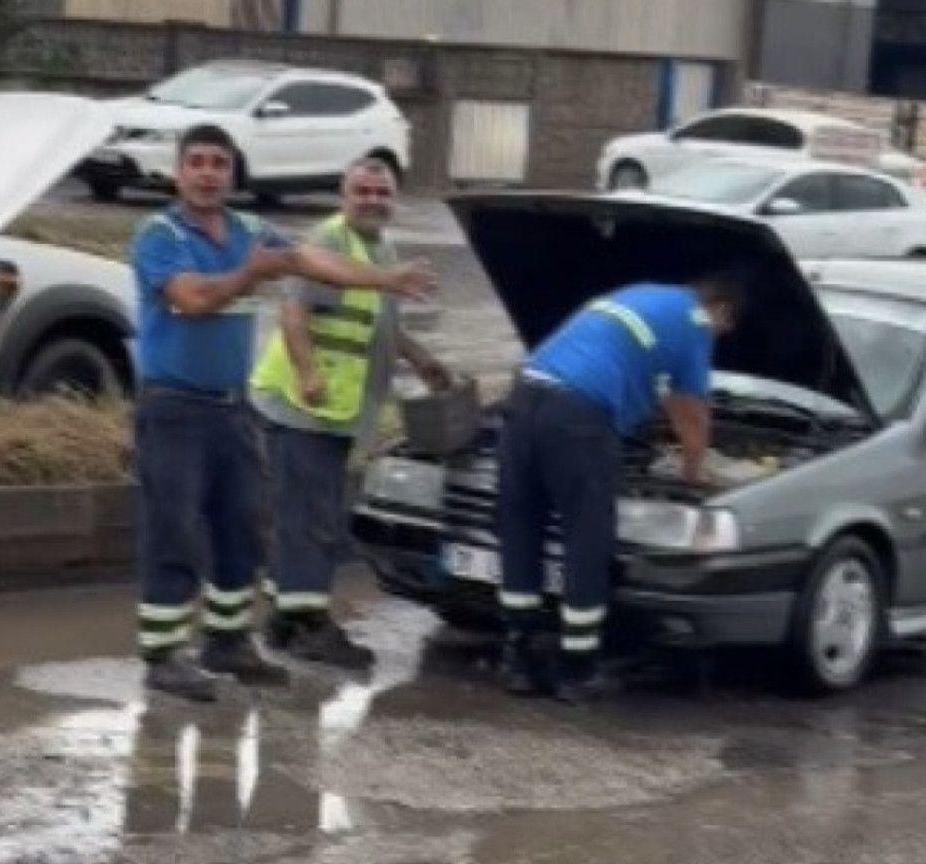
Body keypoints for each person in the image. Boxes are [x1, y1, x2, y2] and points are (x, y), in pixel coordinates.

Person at [130, 124, 434, 702]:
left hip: (231, 408)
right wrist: (252, 272)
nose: (207, 172)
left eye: (218, 163)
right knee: (174, 528)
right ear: (178, 172)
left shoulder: (248, 229)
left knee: (240, 527)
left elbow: (308, 261)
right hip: (173, 407)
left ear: (232, 173)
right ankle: (164, 654)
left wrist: (385, 279)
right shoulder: (160, 234)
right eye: (195, 162)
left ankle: (228, 641)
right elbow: (192, 300)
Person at [496, 268, 746, 704]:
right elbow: (693, 412)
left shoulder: (643, 295)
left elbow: (659, 382)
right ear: (720, 309)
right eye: (726, 329)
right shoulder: (695, 322)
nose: (719, 338)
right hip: (578, 417)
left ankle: (518, 658)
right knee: (586, 539)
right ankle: (578, 669)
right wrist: (693, 472)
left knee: (522, 527)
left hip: (523, 400)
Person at [250, 157, 452, 670]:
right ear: (344, 195)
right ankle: (308, 627)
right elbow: (292, 309)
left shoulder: (379, 248)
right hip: (303, 406)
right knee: (310, 521)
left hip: (335, 412)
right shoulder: (330, 242)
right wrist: (308, 372)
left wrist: (420, 357)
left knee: (305, 516)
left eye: (381, 192)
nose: (372, 200)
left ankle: (284, 620)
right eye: (362, 191)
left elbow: (380, 322)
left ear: (395, 199)